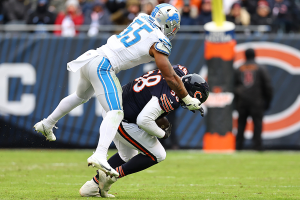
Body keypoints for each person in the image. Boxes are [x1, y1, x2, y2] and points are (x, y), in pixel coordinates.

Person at [34, 3, 203, 178]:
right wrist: (187, 98)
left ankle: (47, 123)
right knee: (116, 112)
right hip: (104, 66)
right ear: (168, 24)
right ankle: (100, 154)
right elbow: (169, 76)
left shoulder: (142, 18)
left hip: (92, 58)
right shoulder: (159, 40)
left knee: (80, 96)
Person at [79, 65, 209, 197]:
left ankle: (91, 187)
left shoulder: (180, 71)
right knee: (158, 154)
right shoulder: (171, 97)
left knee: (127, 155)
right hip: (120, 116)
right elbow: (144, 120)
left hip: (114, 105)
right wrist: (163, 134)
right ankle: (111, 176)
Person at [234, 48, 273, 151]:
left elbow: (234, 86)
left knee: (241, 125)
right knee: (257, 125)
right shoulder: (261, 68)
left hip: (242, 101)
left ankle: (238, 147)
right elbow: (267, 86)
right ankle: (257, 146)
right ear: (254, 55)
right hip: (256, 101)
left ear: (245, 56)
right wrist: (267, 101)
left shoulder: (239, 68)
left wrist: (236, 103)